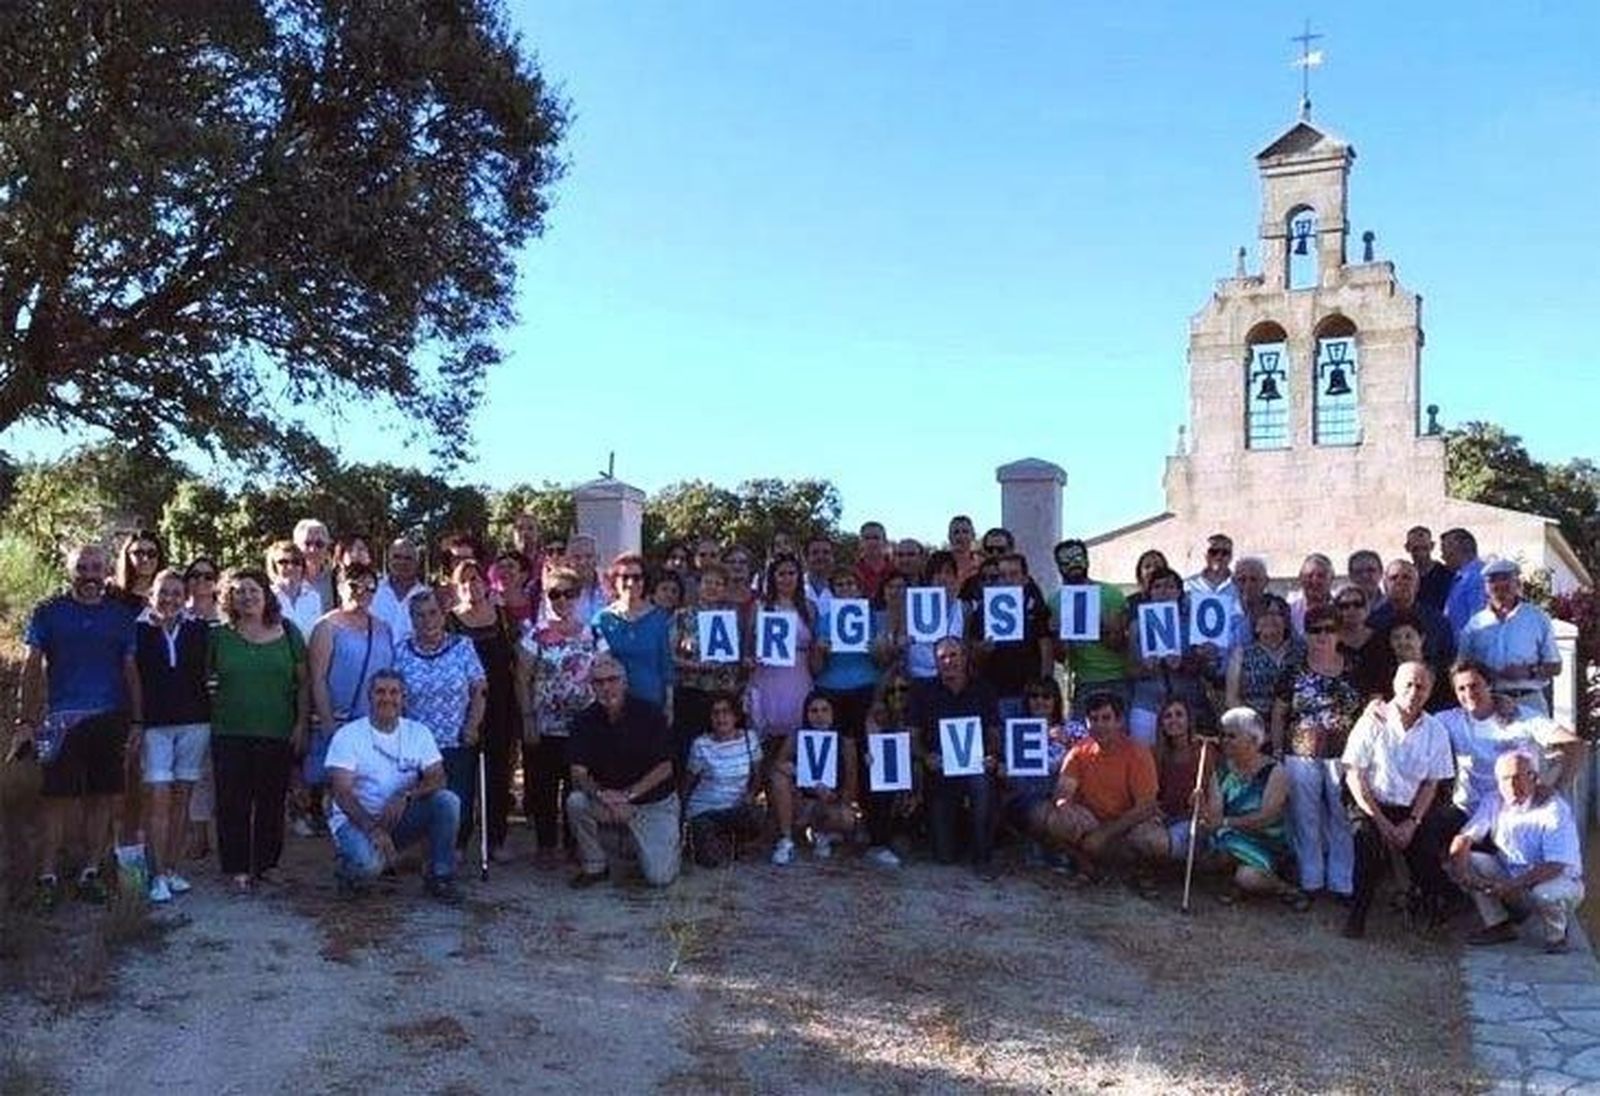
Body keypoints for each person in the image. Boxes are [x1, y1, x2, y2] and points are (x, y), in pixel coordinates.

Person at [12, 544, 140, 908]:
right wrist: (26, 720)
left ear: (106, 572)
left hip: (109, 718)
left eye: (96, 568)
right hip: (61, 721)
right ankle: (47, 877)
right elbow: (32, 668)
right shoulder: (48, 612)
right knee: (56, 801)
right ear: (70, 571)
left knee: (103, 797)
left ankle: (90, 873)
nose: (89, 575)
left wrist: (137, 719)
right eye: (82, 568)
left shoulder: (120, 616)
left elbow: (131, 670)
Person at [1341, 661, 1457, 938]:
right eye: (1408, 684)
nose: (1413, 691)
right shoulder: (1372, 720)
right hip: (1370, 802)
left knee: (1426, 851)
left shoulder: (1436, 730)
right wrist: (1382, 823)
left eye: (1421, 686)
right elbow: (1355, 775)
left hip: (1412, 806)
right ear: (1395, 685)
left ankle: (1434, 908)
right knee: (1367, 844)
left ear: (1430, 691)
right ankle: (1357, 916)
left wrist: (1412, 823)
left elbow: (1431, 783)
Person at [209, 568, 308, 892]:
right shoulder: (218, 636)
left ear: (266, 595)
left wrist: (301, 723)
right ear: (229, 598)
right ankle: (236, 867)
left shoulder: (288, 632)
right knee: (232, 803)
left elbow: (304, 683)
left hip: (277, 730)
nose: (247, 597)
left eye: (253, 590)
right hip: (230, 731)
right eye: (239, 591)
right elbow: (205, 679)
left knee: (271, 802)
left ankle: (267, 865)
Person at [325, 671, 462, 903]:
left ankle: (440, 876)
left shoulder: (418, 732)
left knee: (447, 801)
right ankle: (348, 869)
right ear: (369, 696)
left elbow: (438, 777)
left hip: (398, 816)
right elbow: (342, 793)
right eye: (380, 692)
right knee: (368, 867)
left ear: (403, 698)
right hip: (356, 820)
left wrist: (406, 795)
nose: (387, 698)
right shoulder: (348, 736)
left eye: (394, 692)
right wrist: (372, 829)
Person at [1450, 751, 1585, 953]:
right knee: (1470, 859)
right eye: (1505, 779)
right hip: (1513, 877)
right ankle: (1499, 925)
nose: (1512, 785)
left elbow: (1555, 865)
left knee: (1546, 894)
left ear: (1534, 778)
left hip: (1556, 880)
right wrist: (1462, 872)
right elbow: (1465, 837)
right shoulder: (1493, 801)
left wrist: (1512, 885)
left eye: (1518, 777)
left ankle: (1557, 936)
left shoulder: (1554, 809)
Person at [565, 655, 680, 888]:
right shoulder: (583, 721)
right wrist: (603, 796)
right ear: (592, 686)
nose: (606, 687)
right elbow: (578, 773)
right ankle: (595, 865)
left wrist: (628, 796)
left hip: (652, 802)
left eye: (612, 680)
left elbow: (665, 767)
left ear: (625, 682)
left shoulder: (650, 714)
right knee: (576, 802)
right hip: (608, 801)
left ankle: (654, 843)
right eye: (599, 682)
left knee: (659, 878)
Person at [1272, 604, 1360, 900]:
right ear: (1305, 634)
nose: (1322, 636)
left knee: (1342, 817)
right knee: (1304, 817)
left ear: (1339, 633)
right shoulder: (1293, 669)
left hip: (1345, 755)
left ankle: (1342, 883)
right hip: (1300, 753)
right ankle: (1311, 880)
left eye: (1329, 629)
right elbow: (1279, 712)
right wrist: (1277, 749)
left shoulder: (1354, 666)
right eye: (1315, 630)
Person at [134, 570, 211, 903]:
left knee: (182, 798)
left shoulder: (199, 628)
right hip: (155, 725)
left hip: (195, 722)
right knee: (158, 798)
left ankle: (170, 869)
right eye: (163, 592)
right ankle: (154, 873)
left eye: (177, 593)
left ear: (185, 597)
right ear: (152, 595)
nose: (169, 599)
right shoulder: (138, 629)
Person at [517, 566, 601, 864]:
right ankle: (546, 845)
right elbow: (522, 677)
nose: (562, 600)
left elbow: (605, 671)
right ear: (546, 597)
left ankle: (574, 844)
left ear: (579, 596)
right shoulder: (535, 634)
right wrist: (528, 718)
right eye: (555, 594)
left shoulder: (593, 633)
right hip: (545, 725)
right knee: (544, 787)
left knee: (576, 786)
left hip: (583, 727)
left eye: (569, 593)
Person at [1436, 659, 1583, 827]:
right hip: (1468, 811)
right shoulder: (1451, 720)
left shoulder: (1521, 716)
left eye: (1474, 686)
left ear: (1489, 685)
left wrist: (1552, 788)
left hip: (1514, 814)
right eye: (1461, 689)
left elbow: (1574, 745)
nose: (1468, 693)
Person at [307, 562, 395, 834]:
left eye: (369, 587)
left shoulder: (383, 628)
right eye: (354, 585)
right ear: (340, 586)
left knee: (370, 790)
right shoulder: (326, 627)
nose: (362, 592)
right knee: (340, 790)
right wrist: (328, 723)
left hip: (375, 723)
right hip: (340, 721)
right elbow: (318, 678)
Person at [394, 591, 487, 844]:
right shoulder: (401, 651)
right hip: (417, 744)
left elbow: (479, 689)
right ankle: (423, 849)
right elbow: (395, 697)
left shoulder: (462, 646)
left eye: (433, 613)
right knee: (421, 802)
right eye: (420, 615)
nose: (428, 620)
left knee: (458, 801)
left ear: (443, 615)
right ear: (412, 619)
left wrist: (472, 725)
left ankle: (455, 849)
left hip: (457, 738)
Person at [1042, 691, 1166, 879]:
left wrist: (1105, 833)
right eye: (1094, 719)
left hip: (1128, 826)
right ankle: (1084, 862)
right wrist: (1064, 806)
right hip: (1091, 822)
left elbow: (1146, 807)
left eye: (1106, 718)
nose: (1099, 725)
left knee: (1154, 841)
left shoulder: (1138, 753)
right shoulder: (1079, 751)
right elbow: (1063, 792)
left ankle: (1138, 870)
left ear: (1119, 721)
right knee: (1056, 819)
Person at [444, 559, 519, 861]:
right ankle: (458, 841)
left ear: (485, 583)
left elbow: (517, 659)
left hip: (501, 706)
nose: (470, 585)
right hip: (463, 707)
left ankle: (496, 839)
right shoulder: (450, 621)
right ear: (455, 587)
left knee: (497, 775)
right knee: (462, 776)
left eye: (475, 579)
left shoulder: (503, 617)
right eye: (462, 581)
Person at [909, 638, 999, 873]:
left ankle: (982, 856)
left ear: (965, 658)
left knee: (982, 783)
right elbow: (913, 738)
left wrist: (991, 755)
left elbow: (993, 734)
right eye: (942, 657)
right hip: (940, 770)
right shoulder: (923, 692)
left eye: (954, 655)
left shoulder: (984, 690)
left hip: (975, 766)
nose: (948, 661)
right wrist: (926, 757)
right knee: (945, 856)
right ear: (936, 662)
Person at [1198, 707, 1303, 906]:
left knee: (1248, 877)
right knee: (1210, 854)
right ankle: (1234, 883)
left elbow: (1267, 817)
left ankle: (1285, 888)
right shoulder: (1221, 771)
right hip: (1230, 838)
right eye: (1223, 735)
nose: (1225, 741)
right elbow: (1214, 817)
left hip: (1266, 843)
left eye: (1232, 736)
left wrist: (1226, 822)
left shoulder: (1275, 772)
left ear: (1254, 740)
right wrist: (1202, 807)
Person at [1459, 559, 1561, 717]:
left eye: (1506, 578)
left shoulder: (1537, 618)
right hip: (1490, 702)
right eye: (1493, 580)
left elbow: (1555, 666)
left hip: (1529, 701)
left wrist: (1528, 671)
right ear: (1486, 588)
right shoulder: (1475, 625)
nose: (1500, 585)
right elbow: (1461, 667)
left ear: (1517, 584)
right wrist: (1484, 674)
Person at [766, 693, 858, 865]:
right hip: (801, 800)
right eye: (813, 711)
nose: (819, 716)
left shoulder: (845, 742)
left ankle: (823, 834)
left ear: (833, 713)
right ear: (806, 714)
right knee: (778, 777)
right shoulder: (796, 736)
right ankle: (786, 839)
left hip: (830, 802)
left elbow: (851, 783)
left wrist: (835, 797)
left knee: (846, 819)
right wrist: (793, 771)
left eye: (825, 710)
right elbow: (778, 764)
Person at [1126, 567, 1212, 746]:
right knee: (1146, 757)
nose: (1164, 591)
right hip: (1147, 703)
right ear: (1149, 593)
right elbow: (1130, 670)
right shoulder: (1136, 626)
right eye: (1157, 586)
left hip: (1187, 703)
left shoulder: (1193, 624)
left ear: (1179, 592)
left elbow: (1203, 666)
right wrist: (1146, 668)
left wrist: (1182, 664)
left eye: (1170, 586)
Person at [682, 694, 764, 868]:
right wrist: (681, 813)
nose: (721, 718)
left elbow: (757, 776)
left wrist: (751, 794)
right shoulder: (701, 744)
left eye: (726, 712)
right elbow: (689, 782)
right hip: (705, 810)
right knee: (710, 861)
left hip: (735, 808)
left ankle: (731, 841)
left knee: (756, 816)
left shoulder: (750, 738)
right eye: (715, 713)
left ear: (735, 716)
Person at [745, 553, 818, 742]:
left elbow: (814, 647)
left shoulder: (809, 608)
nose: (787, 578)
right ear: (773, 577)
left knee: (797, 735)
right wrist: (749, 659)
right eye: (781, 574)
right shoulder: (759, 606)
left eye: (791, 573)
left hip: (799, 677)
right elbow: (748, 645)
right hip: (766, 676)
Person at [1050, 539, 1128, 716]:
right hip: (1082, 681)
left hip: (1117, 678)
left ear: (1087, 560)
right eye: (1066, 561)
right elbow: (1061, 657)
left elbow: (1120, 645)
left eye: (1078, 558)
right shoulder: (1055, 602)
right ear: (1059, 567)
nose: (1073, 565)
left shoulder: (1111, 594)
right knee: (1084, 734)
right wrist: (1058, 635)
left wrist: (1105, 628)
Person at [970, 552, 1052, 718]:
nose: (1007, 580)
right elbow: (973, 651)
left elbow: (1045, 645)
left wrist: (1044, 685)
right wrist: (982, 650)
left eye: (1013, 574)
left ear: (1025, 579)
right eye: (1002, 575)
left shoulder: (1034, 606)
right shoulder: (983, 608)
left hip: (1028, 693)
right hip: (995, 691)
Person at [593, 553, 674, 713]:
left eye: (637, 578)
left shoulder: (659, 619)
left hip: (651, 703)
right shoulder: (602, 620)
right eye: (624, 577)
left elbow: (666, 665)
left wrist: (670, 705)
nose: (631, 583)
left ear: (645, 581)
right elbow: (600, 665)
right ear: (615, 581)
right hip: (614, 705)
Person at [1224, 594, 1303, 723]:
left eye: (1276, 614)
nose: (1270, 619)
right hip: (1252, 724)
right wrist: (1253, 724)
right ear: (1255, 623)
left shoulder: (1300, 652)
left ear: (1286, 621)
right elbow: (1231, 698)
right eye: (1264, 614)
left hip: (1296, 722)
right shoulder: (1241, 654)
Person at [1367, 558, 1456, 671]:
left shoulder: (1437, 620)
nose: (1400, 581)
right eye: (1393, 578)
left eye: (1407, 577)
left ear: (1417, 585)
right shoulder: (1373, 621)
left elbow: (1448, 658)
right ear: (1385, 585)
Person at [371, 537, 429, 645]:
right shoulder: (372, 591)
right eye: (397, 557)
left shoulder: (427, 597)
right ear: (388, 560)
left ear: (417, 563)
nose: (402, 562)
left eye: (408, 558)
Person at [268, 539, 323, 640]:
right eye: (283, 562)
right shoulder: (267, 596)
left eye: (296, 562)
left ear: (302, 566)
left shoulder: (314, 597)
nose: (290, 567)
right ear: (274, 566)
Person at [1441, 527, 1487, 637]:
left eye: (1447, 550)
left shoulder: (1477, 578)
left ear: (1466, 547)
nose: (1443, 557)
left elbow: (1479, 622)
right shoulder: (1460, 578)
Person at [110, 530, 165, 610]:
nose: (145, 559)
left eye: (152, 553)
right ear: (127, 556)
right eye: (139, 553)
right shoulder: (112, 592)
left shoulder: (168, 596)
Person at [1405, 525, 1454, 615]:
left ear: (1432, 546)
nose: (1420, 554)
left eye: (1424, 548)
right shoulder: (1405, 577)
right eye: (1415, 549)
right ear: (1407, 548)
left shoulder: (1446, 574)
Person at [292, 518, 335, 614]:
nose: (313, 549)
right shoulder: (288, 578)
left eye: (319, 544)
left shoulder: (336, 579)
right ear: (296, 546)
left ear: (327, 547)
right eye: (307, 544)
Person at [1287, 553, 1334, 638]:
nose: (1314, 581)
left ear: (1331, 579)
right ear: (1300, 579)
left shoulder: (1343, 607)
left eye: (1321, 576)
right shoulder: (1290, 611)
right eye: (1309, 576)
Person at [493, 549, 539, 633]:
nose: (504, 571)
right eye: (501, 567)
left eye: (511, 566)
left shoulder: (537, 603)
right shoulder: (492, 604)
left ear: (524, 575)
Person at [854, 521, 895, 600]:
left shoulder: (896, 570)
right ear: (860, 543)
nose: (872, 542)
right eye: (867, 538)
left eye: (876, 538)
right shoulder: (852, 572)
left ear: (885, 542)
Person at [801, 535, 835, 616]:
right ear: (806, 558)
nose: (820, 557)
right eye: (815, 553)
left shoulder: (844, 588)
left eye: (826, 552)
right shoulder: (794, 587)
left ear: (832, 557)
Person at [184, 558, 222, 623]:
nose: (201, 580)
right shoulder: (178, 616)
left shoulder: (225, 617)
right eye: (195, 575)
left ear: (217, 582)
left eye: (208, 577)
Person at [947, 515, 980, 584]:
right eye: (956, 532)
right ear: (949, 537)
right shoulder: (940, 562)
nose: (961, 536)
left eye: (965, 532)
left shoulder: (981, 563)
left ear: (973, 536)